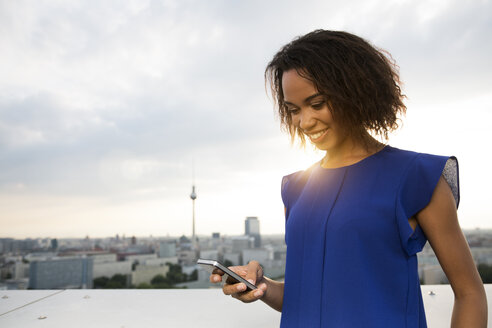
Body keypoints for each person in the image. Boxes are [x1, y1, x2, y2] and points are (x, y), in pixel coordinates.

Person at [210, 30, 487, 327]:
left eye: (317, 104)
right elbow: (306, 299)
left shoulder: (416, 175)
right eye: (293, 110)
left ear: (355, 91)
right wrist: (261, 286)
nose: (304, 121)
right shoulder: (296, 188)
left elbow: (470, 293)